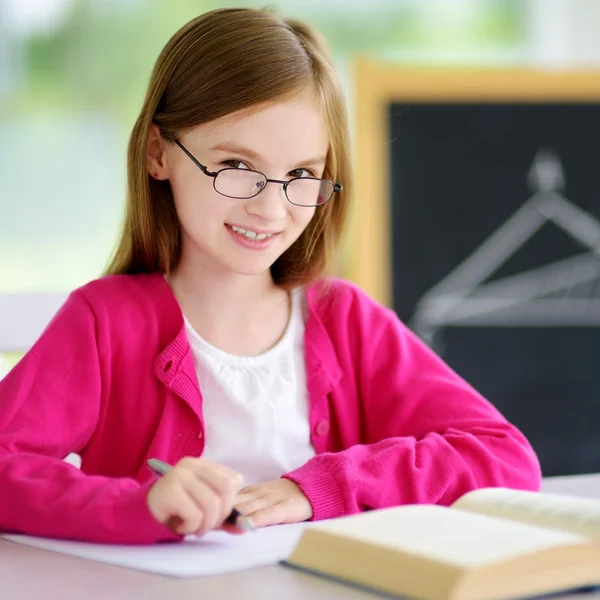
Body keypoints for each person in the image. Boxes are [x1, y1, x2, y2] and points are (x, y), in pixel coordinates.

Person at [0, 7, 541, 545]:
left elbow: (504, 455)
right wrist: (136, 504)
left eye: (302, 174)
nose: (271, 208)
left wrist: (320, 488)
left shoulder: (345, 321)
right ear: (158, 153)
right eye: (237, 167)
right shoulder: (105, 322)